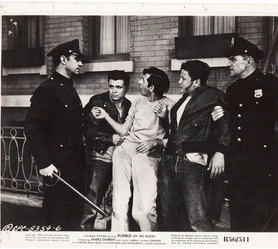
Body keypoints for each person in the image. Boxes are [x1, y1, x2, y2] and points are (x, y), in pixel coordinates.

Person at [216, 36, 278, 231]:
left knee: (263, 221)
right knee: (239, 220)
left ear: (248, 60)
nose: (228, 64)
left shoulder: (271, 85)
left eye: (233, 59)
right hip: (238, 164)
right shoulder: (233, 90)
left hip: (263, 164)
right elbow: (232, 126)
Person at [93, 67, 175, 231]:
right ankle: (119, 239)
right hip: (125, 150)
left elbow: (174, 138)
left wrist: (160, 130)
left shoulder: (170, 105)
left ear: (151, 87)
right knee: (119, 199)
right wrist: (106, 116)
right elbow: (124, 130)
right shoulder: (137, 101)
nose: (139, 82)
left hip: (147, 154)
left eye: (143, 80)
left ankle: (149, 243)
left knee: (144, 207)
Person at [157, 59, 230, 232]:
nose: (179, 81)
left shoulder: (214, 96)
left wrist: (221, 152)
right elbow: (179, 129)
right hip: (170, 159)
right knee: (168, 213)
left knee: (197, 218)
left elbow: (226, 127)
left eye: (183, 78)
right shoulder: (185, 98)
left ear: (196, 81)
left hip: (192, 162)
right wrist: (163, 116)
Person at [24, 39, 86, 231]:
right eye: (77, 59)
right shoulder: (47, 89)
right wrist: (44, 163)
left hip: (74, 163)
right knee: (57, 215)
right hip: (56, 165)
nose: (81, 64)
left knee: (74, 214)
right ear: (63, 59)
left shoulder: (69, 87)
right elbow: (33, 127)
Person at [81, 71, 132, 230]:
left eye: (118, 87)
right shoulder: (97, 101)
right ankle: (84, 234)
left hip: (123, 159)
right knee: (92, 199)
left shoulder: (130, 105)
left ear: (126, 88)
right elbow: (88, 132)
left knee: (121, 200)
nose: (114, 90)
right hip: (102, 157)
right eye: (111, 86)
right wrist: (110, 139)